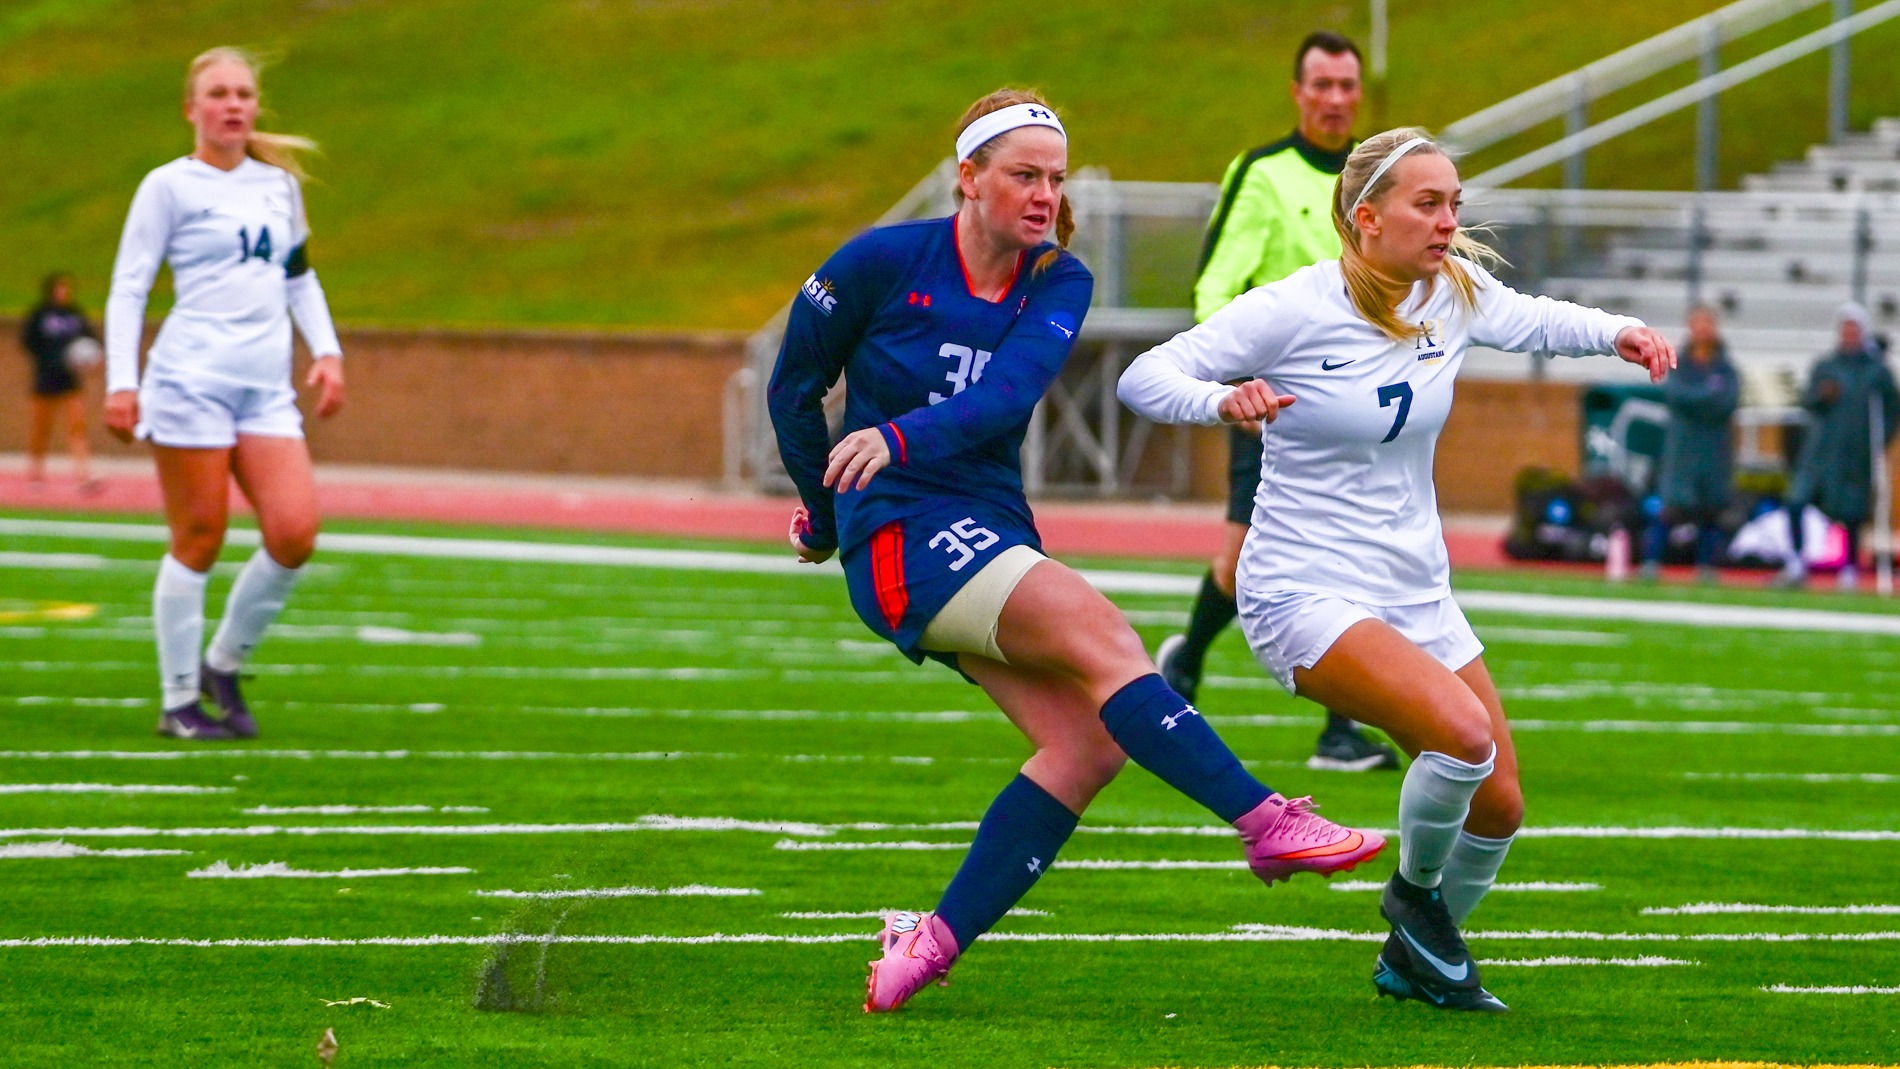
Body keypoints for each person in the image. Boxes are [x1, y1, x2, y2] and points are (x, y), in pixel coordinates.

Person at [768, 88, 1385, 1015]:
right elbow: (793, 385)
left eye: (1054, 179)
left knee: (1086, 744)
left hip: (986, 523)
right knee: (1106, 637)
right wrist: (823, 511)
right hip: (900, 531)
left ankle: (923, 945)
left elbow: (1009, 395)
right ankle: (1266, 820)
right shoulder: (879, 262)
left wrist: (897, 436)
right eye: (1023, 175)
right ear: (966, 178)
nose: (1044, 195)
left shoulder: (1060, 279)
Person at [1118, 127, 1675, 1012]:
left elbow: (1532, 317)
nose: (1449, 221)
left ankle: (1412, 958)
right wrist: (1222, 398)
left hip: (1415, 586)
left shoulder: (1449, 290)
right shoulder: (1293, 307)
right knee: (1460, 734)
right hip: (1302, 587)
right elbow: (1147, 376)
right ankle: (1413, 898)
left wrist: (1621, 333)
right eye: (1429, 204)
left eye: (1454, 203)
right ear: (1366, 218)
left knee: (1499, 806)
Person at [1153, 30, 1399, 773]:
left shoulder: (1378, 181)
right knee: (1239, 557)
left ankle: (1338, 731)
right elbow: (1213, 285)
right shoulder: (1261, 173)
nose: (1333, 99)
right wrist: (1234, 381)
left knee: (1353, 557)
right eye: (1320, 85)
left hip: (1358, 407)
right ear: (1298, 93)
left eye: (1346, 86)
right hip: (1275, 404)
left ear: (1361, 94)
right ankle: (1184, 664)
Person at [104, 47, 346, 741]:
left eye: (243, 93)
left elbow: (299, 276)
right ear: (192, 108)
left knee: (295, 534)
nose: (233, 104)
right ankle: (178, 702)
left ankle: (223, 663)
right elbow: (130, 285)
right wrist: (124, 381)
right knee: (201, 536)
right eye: (218, 93)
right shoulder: (167, 187)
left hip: (264, 388)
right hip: (189, 383)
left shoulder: (278, 187)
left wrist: (326, 350)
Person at [1776, 301, 1900, 590]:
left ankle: (1849, 569)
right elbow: (1807, 401)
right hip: (1820, 450)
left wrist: (1879, 442)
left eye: (1853, 328)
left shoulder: (1875, 371)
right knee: (1796, 499)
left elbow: (1891, 410)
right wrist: (1822, 395)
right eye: (1844, 328)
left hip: (1854, 451)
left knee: (1851, 512)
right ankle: (1796, 562)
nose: (1848, 334)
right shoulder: (1826, 366)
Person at [1641, 305, 1739, 583]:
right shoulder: (1678, 363)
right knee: (1672, 507)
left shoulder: (1726, 367)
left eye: (1708, 323)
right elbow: (1676, 395)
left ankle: (1705, 566)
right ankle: (1651, 562)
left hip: (1715, 448)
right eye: (1698, 323)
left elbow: (1728, 401)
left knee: (1711, 510)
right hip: (1683, 448)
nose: (1703, 329)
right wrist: (1708, 395)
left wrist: (1698, 399)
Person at [20, 272, 99, 489]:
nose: (65, 292)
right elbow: (28, 343)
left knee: (77, 428)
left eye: (67, 288)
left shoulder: (75, 314)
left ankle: (84, 476)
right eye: (61, 288)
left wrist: (89, 360)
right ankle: (36, 475)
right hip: (45, 380)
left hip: (69, 382)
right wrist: (52, 360)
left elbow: (91, 340)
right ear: (52, 290)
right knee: (41, 429)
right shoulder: (39, 315)